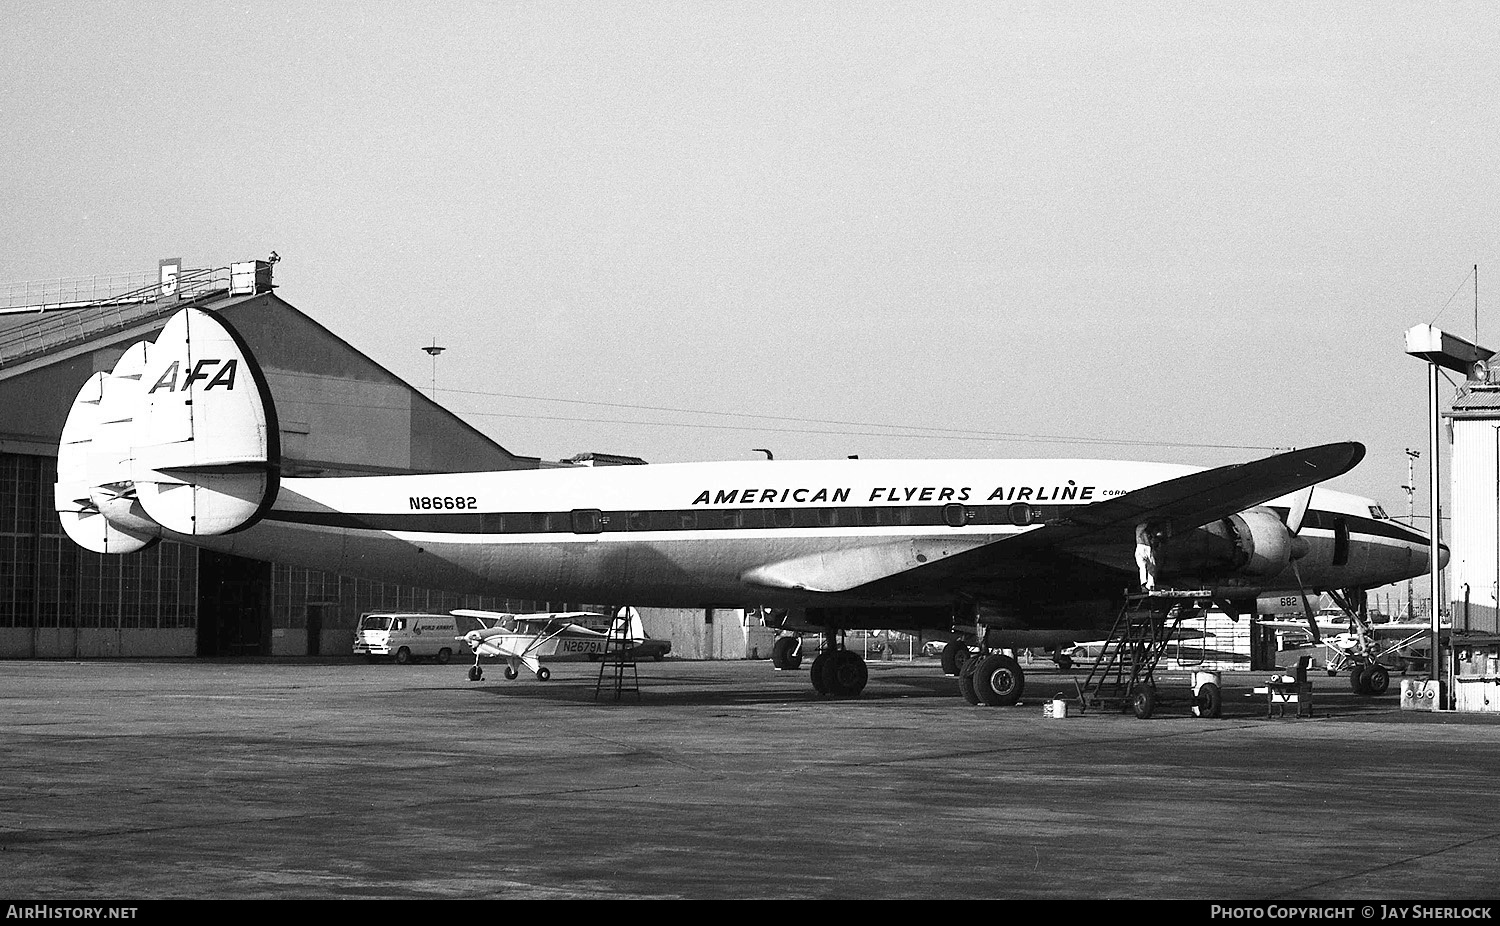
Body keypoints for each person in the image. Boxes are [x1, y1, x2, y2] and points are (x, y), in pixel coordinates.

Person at [1135, 522, 1158, 591]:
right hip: (1146, 547)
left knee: (1142, 566)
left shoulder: (1139, 528)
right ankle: (1150, 585)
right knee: (1151, 566)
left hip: (1139, 547)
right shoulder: (1144, 528)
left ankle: (1144, 584)